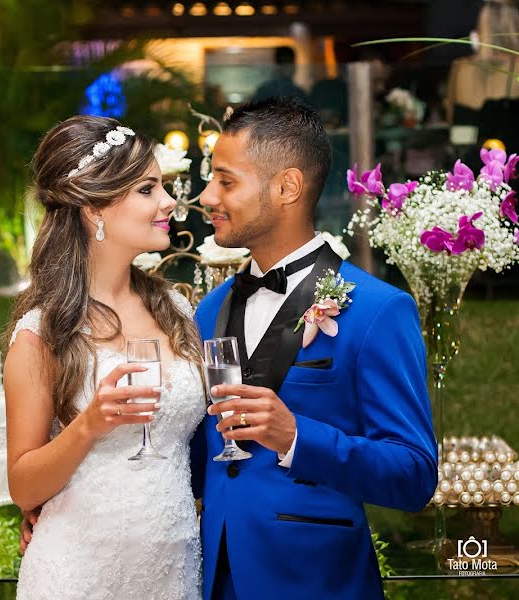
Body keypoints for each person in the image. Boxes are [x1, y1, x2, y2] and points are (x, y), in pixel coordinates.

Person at [192, 97, 438, 599]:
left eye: (225, 180)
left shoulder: (376, 310)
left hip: (317, 580)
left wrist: (297, 437)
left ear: (287, 187)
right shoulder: (207, 309)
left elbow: (414, 474)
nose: (205, 195)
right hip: (214, 578)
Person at [5, 115, 207, 600]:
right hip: (79, 571)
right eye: (147, 189)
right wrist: (89, 424)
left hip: (173, 567)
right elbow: (23, 487)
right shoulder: (44, 330)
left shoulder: (176, 309)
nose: (168, 202)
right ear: (94, 209)